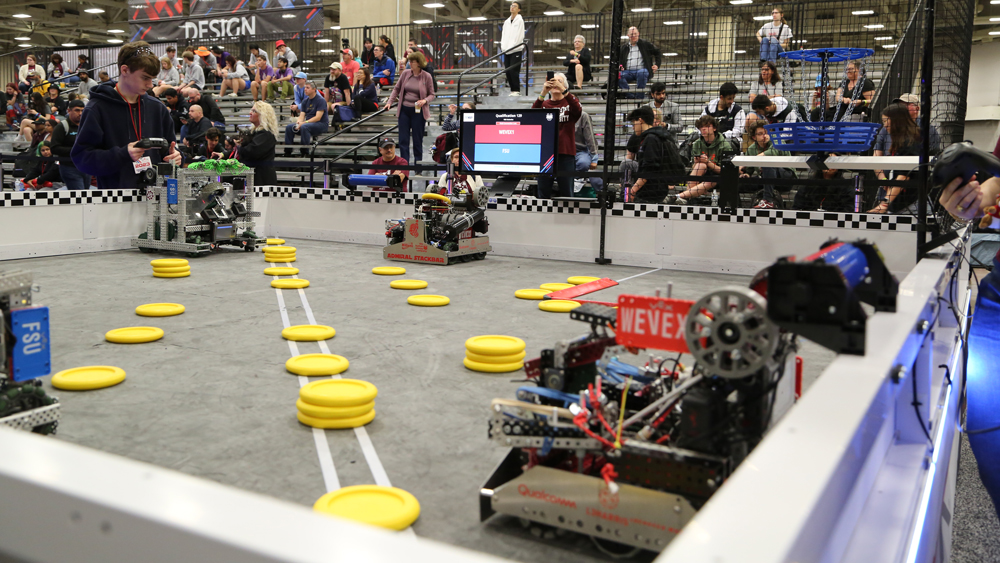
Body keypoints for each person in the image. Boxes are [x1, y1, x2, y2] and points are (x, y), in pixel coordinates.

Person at [71, 41, 181, 190]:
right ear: (125, 70)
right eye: (145, 78)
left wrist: (176, 157)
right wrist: (122, 154)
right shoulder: (97, 108)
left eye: (152, 78)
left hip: (155, 200)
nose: (150, 85)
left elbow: (170, 150)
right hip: (115, 202)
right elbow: (82, 159)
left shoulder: (158, 109)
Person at [531, 72, 582, 199]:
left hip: (565, 154)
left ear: (564, 85)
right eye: (553, 81)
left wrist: (564, 90)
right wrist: (543, 92)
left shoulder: (569, 103)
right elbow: (532, 116)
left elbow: (578, 110)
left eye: (559, 81)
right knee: (543, 192)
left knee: (567, 193)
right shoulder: (544, 104)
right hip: (545, 154)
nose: (555, 83)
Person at [625, 106, 684, 204]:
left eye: (633, 123)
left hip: (650, 191)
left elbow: (649, 169)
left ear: (640, 120)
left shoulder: (651, 139)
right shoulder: (660, 135)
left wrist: (633, 190)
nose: (633, 127)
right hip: (659, 188)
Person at [385, 51, 435, 165]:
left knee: (417, 140)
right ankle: (404, 165)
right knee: (403, 139)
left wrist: (424, 100)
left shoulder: (426, 76)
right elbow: (396, 89)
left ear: (418, 63)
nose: (410, 63)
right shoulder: (406, 74)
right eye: (409, 61)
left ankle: (418, 165)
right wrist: (389, 102)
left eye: (412, 61)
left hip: (418, 111)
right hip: (404, 110)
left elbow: (432, 94)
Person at [869, 103, 920, 214]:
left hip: (911, 205)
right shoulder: (901, 140)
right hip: (901, 202)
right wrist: (884, 181)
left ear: (897, 121)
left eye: (886, 121)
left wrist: (884, 204)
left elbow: (903, 177)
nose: (885, 125)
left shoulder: (911, 142)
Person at [669, 115, 729, 204]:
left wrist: (708, 162)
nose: (704, 129)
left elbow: (725, 171)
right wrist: (696, 162)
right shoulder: (696, 143)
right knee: (700, 165)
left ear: (714, 128)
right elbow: (694, 167)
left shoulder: (725, 145)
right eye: (701, 127)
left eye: (707, 126)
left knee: (711, 177)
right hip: (701, 172)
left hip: (719, 176)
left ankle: (681, 197)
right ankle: (687, 198)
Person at [740, 121, 795, 209]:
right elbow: (749, 169)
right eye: (760, 134)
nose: (764, 136)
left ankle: (768, 201)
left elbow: (773, 152)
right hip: (765, 179)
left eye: (766, 133)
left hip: (786, 177)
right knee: (739, 184)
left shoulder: (777, 140)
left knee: (767, 163)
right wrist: (747, 174)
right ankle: (736, 207)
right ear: (754, 137)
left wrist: (752, 159)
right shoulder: (751, 149)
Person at [49, 99, 90, 190]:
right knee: (80, 197)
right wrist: (75, 150)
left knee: (86, 197)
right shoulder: (62, 127)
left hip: (86, 167)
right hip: (69, 168)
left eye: (82, 110)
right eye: (77, 110)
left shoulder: (86, 125)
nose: (80, 113)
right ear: (69, 111)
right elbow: (54, 148)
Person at [237, 101, 278, 185]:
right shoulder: (254, 132)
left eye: (254, 111)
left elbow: (251, 152)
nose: (250, 113)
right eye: (251, 110)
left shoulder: (265, 134)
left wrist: (238, 148)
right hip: (254, 177)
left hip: (262, 180)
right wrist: (223, 154)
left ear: (262, 115)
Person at [283, 81, 327, 157]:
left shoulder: (321, 100)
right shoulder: (305, 101)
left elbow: (318, 117)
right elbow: (302, 115)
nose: (305, 89)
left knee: (304, 127)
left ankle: (304, 152)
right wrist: (298, 123)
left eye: (307, 88)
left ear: (314, 89)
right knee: (289, 127)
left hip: (321, 124)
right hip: (309, 124)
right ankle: (288, 151)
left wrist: (304, 123)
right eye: (305, 88)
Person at [618, 27, 660, 99]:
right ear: (628, 35)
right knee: (617, 76)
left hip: (642, 70)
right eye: (631, 34)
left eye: (635, 34)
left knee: (642, 73)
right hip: (627, 72)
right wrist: (620, 65)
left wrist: (657, 65)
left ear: (638, 34)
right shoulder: (624, 47)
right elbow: (619, 59)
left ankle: (639, 97)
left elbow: (657, 53)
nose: (633, 36)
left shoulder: (645, 44)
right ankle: (630, 96)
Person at [574, 111, 602, 198]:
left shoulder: (583, 115)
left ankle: (577, 179)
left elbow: (590, 137)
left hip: (580, 150)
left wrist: (594, 158)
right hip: (562, 151)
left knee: (584, 164)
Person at [501, 1, 525, 96]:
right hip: (506, 50)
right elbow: (504, 35)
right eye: (511, 6)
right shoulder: (506, 22)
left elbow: (520, 35)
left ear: (519, 9)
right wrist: (504, 47)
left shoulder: (520, 20)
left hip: (516, 49)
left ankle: (516, 90)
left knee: (513, 70)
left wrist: (515, 45)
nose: (512, 7)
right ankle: (512, 90)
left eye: (515, 6)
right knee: (507, 70)